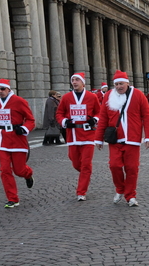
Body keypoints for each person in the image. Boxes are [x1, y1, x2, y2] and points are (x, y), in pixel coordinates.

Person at [95, 70, 149, 207]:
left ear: (127, 83)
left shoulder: (138, 95)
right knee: (114, 166)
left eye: (121, 83)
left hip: (132, 139)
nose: (119, 87)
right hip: (115, 139)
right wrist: (98, 138)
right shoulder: (109, 95)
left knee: (132, 168)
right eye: (116, 84)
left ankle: (130, 195)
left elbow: (147, 116)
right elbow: (103, 117)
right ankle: (120, 189)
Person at [0, 78, 35, 208]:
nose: (0, 91)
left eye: (2, 89)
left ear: (8, 89)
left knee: (19, 170)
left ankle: (28, 174)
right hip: (1, 140)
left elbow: (30, 120)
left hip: (17, 139)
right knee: (4, 170)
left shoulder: (19, 101)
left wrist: (24, 128)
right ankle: (12, 198)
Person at [56, 72, 100, 201]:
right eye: (73, 80)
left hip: (88, 135)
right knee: (75, 162)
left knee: (86, 164)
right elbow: (59, 113)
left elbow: (99, 112)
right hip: (73, 135)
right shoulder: (66, 97)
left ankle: (81, 192)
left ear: (83, 82)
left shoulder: (92, 97)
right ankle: (86, 174)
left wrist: (95, 119)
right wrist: (64, 121)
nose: (74, 82)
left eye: (77, 80)